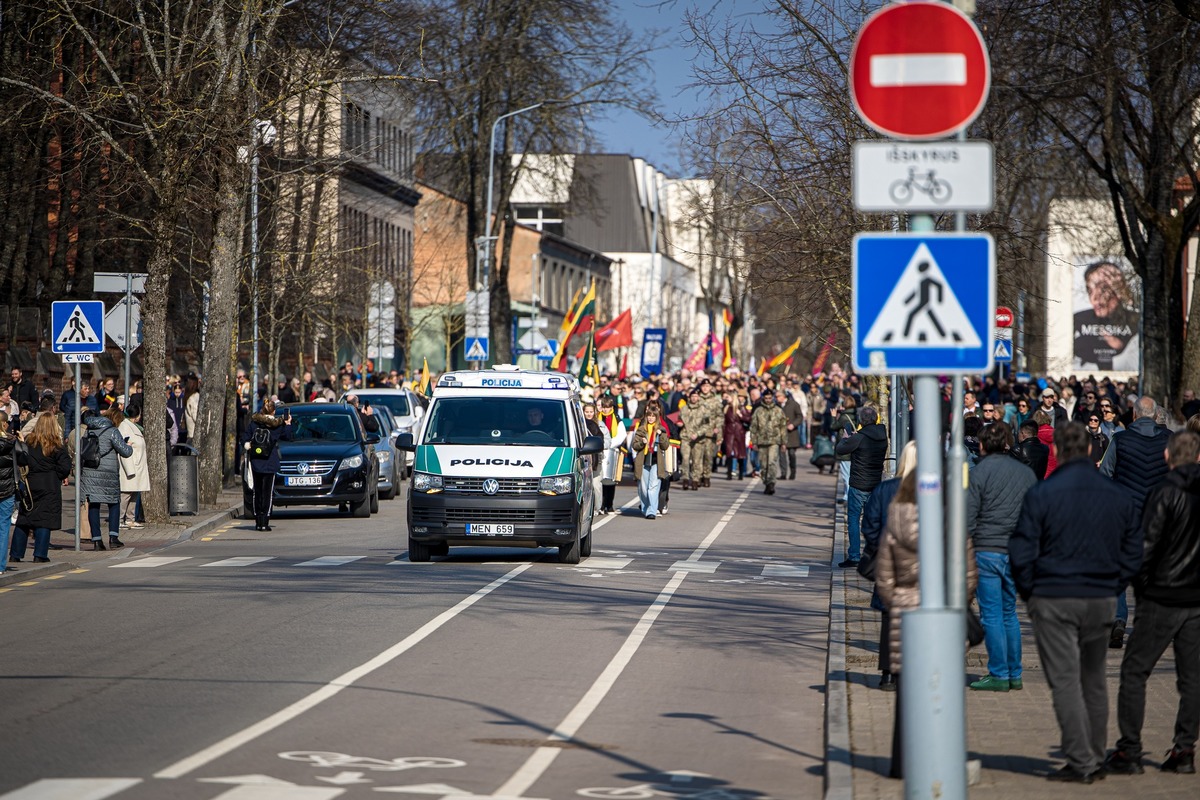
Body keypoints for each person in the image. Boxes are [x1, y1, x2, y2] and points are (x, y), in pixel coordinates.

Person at [1009, 422, 1143, 783]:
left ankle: (1082, 760)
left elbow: (1021, 550)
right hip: (1099, 597)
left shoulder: (1043, 494)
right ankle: (1093, 757)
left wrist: (1031, 592)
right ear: (1089, 451)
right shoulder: (1116, 495)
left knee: (1066, 680)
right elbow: (1134, 550)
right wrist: (1115, 583)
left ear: (1056, 452)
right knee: (1093, 679)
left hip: (1054, 596)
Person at [1105, 430, 1200, 776]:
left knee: (1134, 670)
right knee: (1192, 678)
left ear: (1167, 456)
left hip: (1163, 595)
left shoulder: (1164, 491)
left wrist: (1142, 590)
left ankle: (1130, 750)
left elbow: (1143, 549)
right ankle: (1185, 748)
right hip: (1194, 599)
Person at [877, 467, 978, 779]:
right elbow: (968, 575)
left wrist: (900, 602)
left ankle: (902, 763)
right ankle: (942, 757)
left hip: (906, 613)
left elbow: (884, 577)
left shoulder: (895, 523)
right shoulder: (952, 522)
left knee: (907, 690)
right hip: (945, 612)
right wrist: (956, 601)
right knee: (944, 688)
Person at [967, 421, 1038, 691]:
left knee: (992, 615)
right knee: (1010, 612)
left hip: (988, 549)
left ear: (983, 445)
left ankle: (998, 673)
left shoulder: (978, 473)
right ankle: (1014, 673)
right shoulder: (1025, 474)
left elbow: (968, 517)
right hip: (1017, 551)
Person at [1100, 396, 1172, 648]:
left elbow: (1104, 475)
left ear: (1134, 415)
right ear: (1154, 416)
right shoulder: (1169, 440)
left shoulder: (1119, 440)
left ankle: (1118, 619)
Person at [859, 440, 918, 692]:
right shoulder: (933, 489)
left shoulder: (884, 490)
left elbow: (869, 524)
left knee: (889, 619)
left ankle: (888, 675)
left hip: (890, 563)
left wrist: (880, 546)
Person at [8, 413, 72, 565]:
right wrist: (55, 474)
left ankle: (16, 554)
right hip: (49, 485)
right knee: (44, 519)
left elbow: (22, 459)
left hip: (30, 483)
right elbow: (64, 468)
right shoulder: (56, 446)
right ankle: (40, 554)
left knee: (24, 519)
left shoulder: (29, 442)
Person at [834, 405, 888, 568]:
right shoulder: (883, 435)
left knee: (853, 520)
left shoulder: (859, 438)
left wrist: (845, 437)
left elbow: (840, 449)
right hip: (875, 483)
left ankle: (855, 556)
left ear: (861, 421)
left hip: (858, 485)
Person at [80, 408, 133, 550]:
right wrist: (128, 446)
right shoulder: (112, 431)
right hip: (108, 474)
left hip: (90, 471)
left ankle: (97, 541)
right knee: (114, 503)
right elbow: (125, 452)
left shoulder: (89, 430)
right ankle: (113, 538)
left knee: (94, 504)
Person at [1074, 260, 1139, 371]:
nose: (1094, 298)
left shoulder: (1137, 321)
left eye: (1103, 288)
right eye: (1090, 290)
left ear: (1119, 289)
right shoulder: (1078, 320)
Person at [242, 400, 293, 531]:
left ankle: (258, 521)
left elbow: (245, 438)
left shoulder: (254, 423)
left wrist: (248, 446)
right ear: (274, 411)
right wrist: (287, 423)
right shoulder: (276, 425)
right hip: (270, 461)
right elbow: (287, 436)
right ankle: (265, 521)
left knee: (257, 492)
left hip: (256, 461)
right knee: (267, 492)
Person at [629, 402, 669, 520]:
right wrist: (642, 442)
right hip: (644, 460)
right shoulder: (641, 429)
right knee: (643, 488)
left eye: (653, 416)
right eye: (649, 416)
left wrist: (661, 435)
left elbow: (665, 446)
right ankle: (646, 508)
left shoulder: (661, 429)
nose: (651, 418)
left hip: (656, 461)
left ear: (657, 418)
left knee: (653, 487)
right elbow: (634, 445)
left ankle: (652, 510)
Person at [749, 389, 787, 495]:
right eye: (766, 398)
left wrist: (784, 442)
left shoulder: (778, 410)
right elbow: (753, 428)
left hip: (774, 441)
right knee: (763, 464)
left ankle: (771, 483)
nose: (768, 400)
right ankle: (766, 482)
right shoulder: (758, 411)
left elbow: (783, 427)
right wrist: (754, 442)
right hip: (761, 441)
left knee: (771, 462)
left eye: (770, 398)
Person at [118, 401, 149, 530]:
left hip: (137, 466)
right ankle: (119, 519)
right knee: (125, 494)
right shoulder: (124, 427)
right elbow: (124, 449)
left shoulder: (134, 426)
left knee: (134, 493)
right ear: (137, 415)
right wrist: (130, 469)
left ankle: (130, 519)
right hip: (130, 467)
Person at [596, 396, 623, 514]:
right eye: (604, 407)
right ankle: (601, 504)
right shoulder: (597, 418)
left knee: (611, 479)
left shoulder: (616, 419)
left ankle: (609, 504)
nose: (606, 410)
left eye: (608, 407)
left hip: (612, 449)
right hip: (600, 449)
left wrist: (610, 443)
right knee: (600, 478)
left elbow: (621, 435)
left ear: (612, 407)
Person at [833, 395, 859, 503]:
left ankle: (848, 496)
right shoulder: (857, 415)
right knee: (852, 474)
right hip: (855, 448)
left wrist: (834, 416)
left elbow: (833, 427)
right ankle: (847, 495)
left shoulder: (843, 417)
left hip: (845, 450)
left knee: (846, 474)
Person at [0, 412, 17, 573]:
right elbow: (24, 459)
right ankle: (0, 565)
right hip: (7, 489)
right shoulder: (10, 442)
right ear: (5, 424)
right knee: (4, 527)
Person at [582, 402, 606, 513]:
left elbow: (605, 439)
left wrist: (600, 446)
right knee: (585, 485)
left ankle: (597, 507)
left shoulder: (600, 424)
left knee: (596, 484)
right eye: (586, 412)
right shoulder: (579, 424)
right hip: (584, 458)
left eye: (591, 412)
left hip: (596, 458)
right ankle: (587, 508)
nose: (589, 414)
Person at [723, 392, 752, 479]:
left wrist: (741, 415)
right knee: (729, 453)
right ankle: (729, 472)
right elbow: (724, 421)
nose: (727, 399)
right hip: (729, 432)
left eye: (728, 397)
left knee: (740, 453)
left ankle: (741, 473)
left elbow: (748, 419)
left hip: (739, 432)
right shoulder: (727, 408)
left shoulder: (741, 408)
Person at [780, 389, 805, 480]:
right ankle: (783, 473)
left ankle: (793, 472)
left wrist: (793, 424)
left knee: (791, 454)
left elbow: (800, 417)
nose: (777, 398)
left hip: (791, 433)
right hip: (780, 433)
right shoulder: (777, 405)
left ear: (784, 396)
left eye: (778, 396)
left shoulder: (794, 404)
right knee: (782, 454)